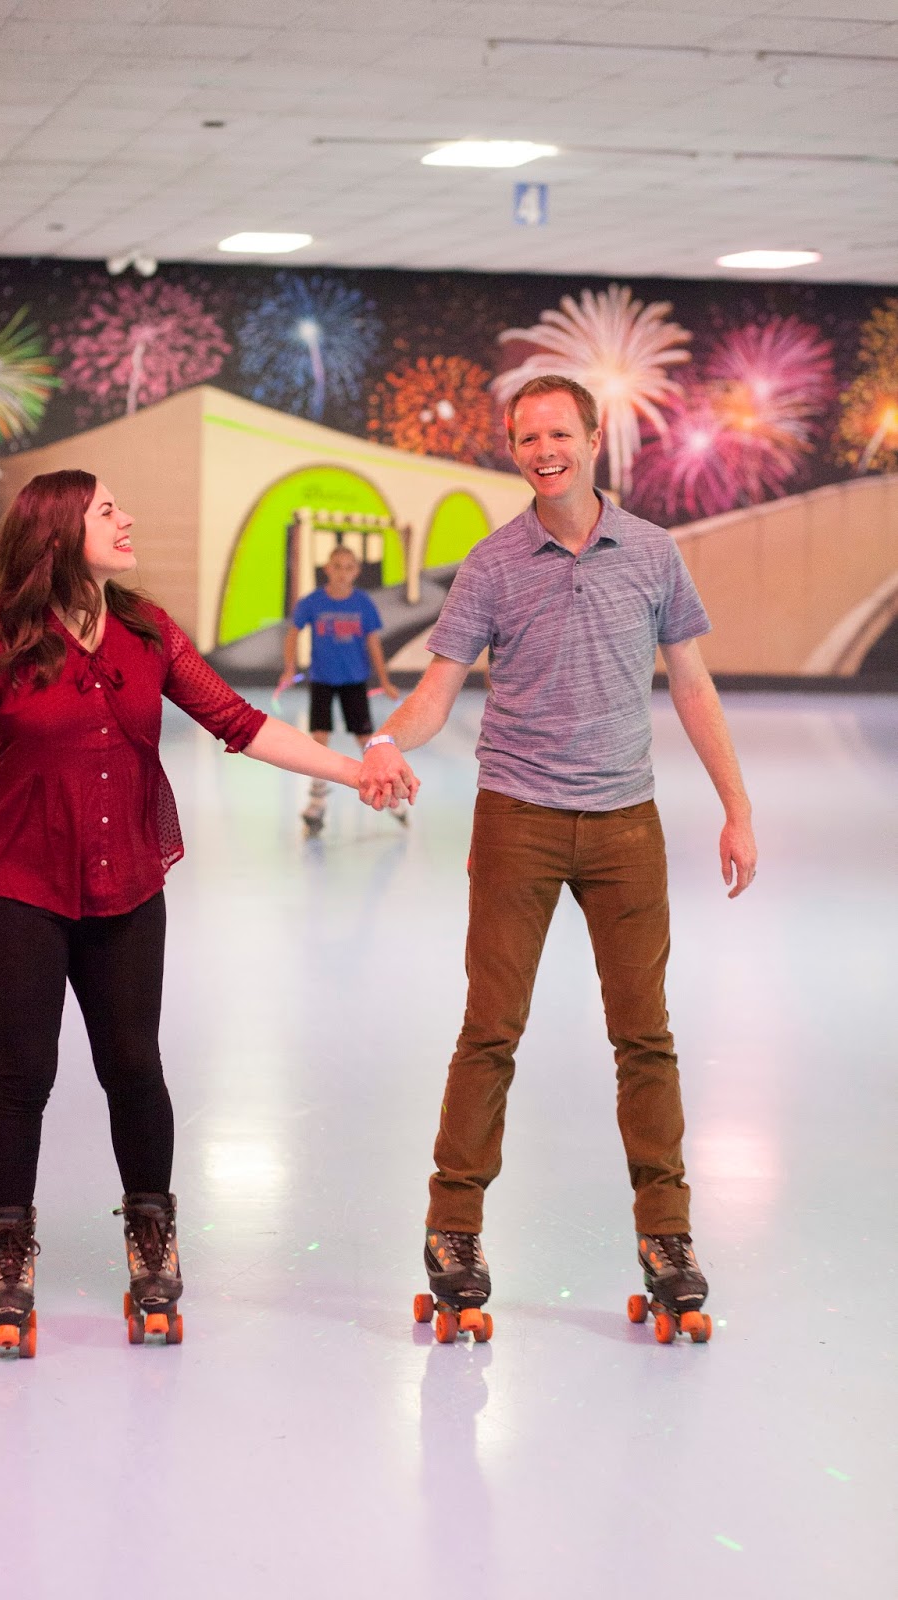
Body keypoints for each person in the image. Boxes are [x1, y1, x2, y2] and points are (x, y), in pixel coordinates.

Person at [0, 469, 384, 1357]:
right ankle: (6, 1249)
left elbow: (237, 721)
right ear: (58, 533)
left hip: (124, 877)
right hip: (12, 883)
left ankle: (151, 1232)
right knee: (24, 1072)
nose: (126, 521)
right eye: (106, 511)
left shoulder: (145, 630)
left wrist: (355, 772)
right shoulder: (6, 642)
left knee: (133, 1065)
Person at [358, 375, 758, 1338]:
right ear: (513, 448)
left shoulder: (653, 552)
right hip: (518, 821)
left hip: (627, 826)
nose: (543, 449)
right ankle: (453, 1230)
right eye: (525, 435)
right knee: (489, 1031)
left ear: (592, 440)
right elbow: (434, 692)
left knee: (644, 1037)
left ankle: (668, 1238)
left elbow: (694, 690)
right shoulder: (492, 565)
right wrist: (381, 741)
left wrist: (736, 809)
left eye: (558, 433)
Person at [276, 544, 404, 834]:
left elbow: (373, 642)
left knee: (366, 740)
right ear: (327, 569)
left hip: (354, 682)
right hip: (322, 680)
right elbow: (293, 632)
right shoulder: (312, 602)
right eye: (337, 566)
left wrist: (384, 680)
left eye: (349, 567)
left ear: (356, 571)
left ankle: (390, 795)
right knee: (319, 738)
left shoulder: (363, 604)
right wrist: (288, 667)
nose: (342, 572)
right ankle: (317, 802)